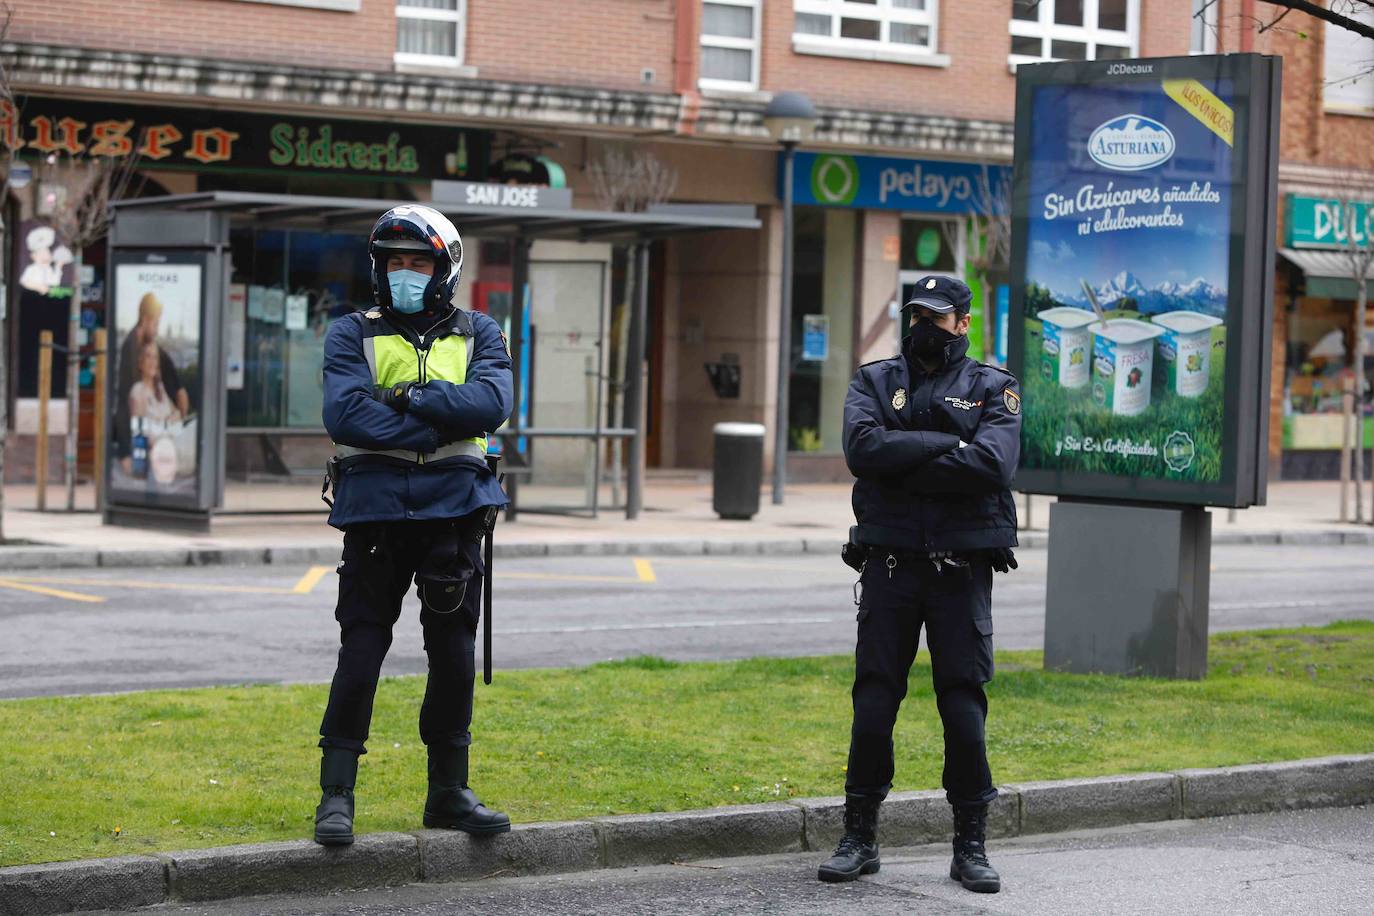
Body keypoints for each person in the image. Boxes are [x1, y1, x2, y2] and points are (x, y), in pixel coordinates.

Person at [313, 204, 513, 847]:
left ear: (444, 267)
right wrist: (439, 421)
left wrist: (400, 398)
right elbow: (345, 416)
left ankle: (449, 792)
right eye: (394, 262)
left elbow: (493, 404)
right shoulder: (350, 332)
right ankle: (336, 795)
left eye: (417, 261)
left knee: (452, 656)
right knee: (362, 649)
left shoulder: (481, 330)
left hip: (453, 514)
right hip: (373, 513)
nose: (404, 272)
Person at [818, 275, 1021, 894]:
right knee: (874, 704)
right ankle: (859, 835)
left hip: (959, 573)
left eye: (936, 317)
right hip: (890, 568)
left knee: (962, 709)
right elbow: (862, 449)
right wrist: (945, 444)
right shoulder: (873, 381)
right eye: (915, 315)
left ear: (963, 323)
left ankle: (971, 845)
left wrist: (904, 456)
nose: (923, 326)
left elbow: (993, 463)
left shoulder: (995, 386)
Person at [115, 292, 190, 474]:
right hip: (152, 440)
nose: (157, 329)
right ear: (146, 319)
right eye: (156, 323)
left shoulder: (152, 347)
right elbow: (124, 404)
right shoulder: (131, 349)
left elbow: (178, 390)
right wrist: (125, 453)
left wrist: (177, 415)